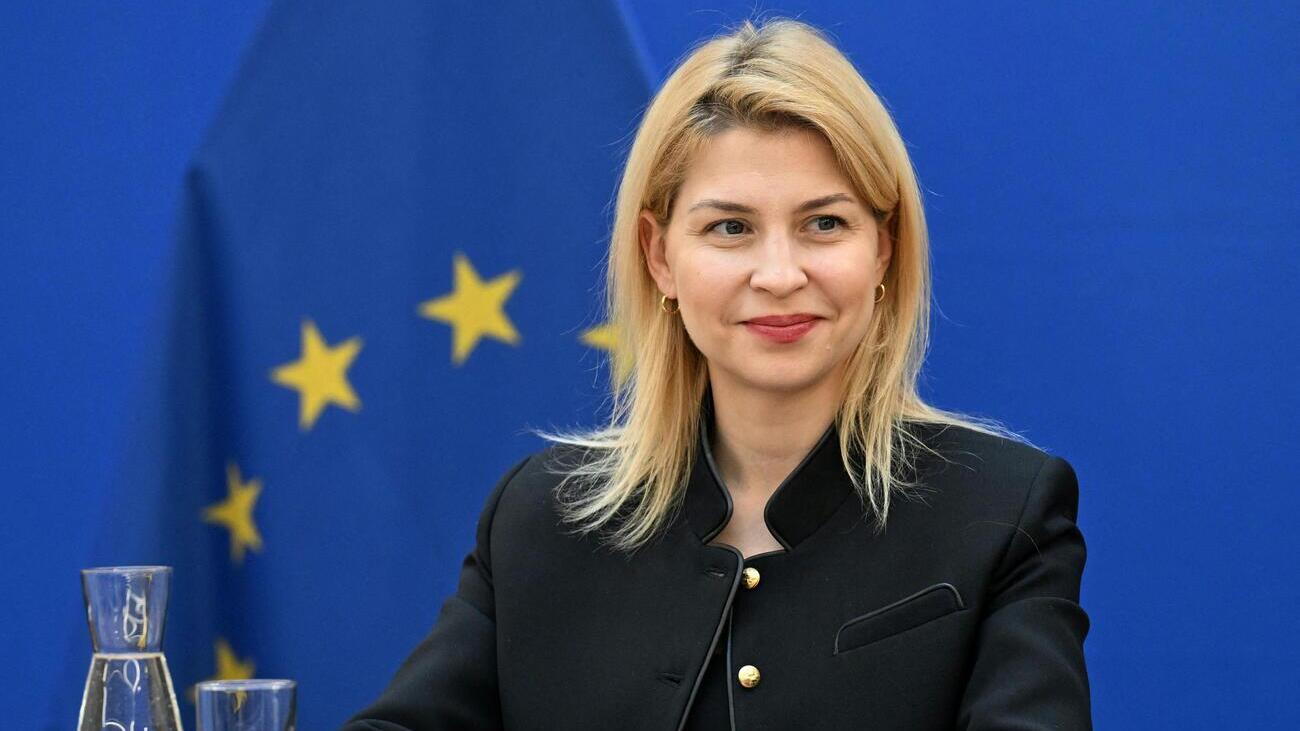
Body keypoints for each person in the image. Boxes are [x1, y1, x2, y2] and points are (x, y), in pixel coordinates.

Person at [343, 17, 1091, 731]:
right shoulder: (539, 518)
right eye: (730, 228)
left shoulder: (1003, 510)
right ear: (659, 256)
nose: (779, 274)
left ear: (883, 250)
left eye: (824, 223)